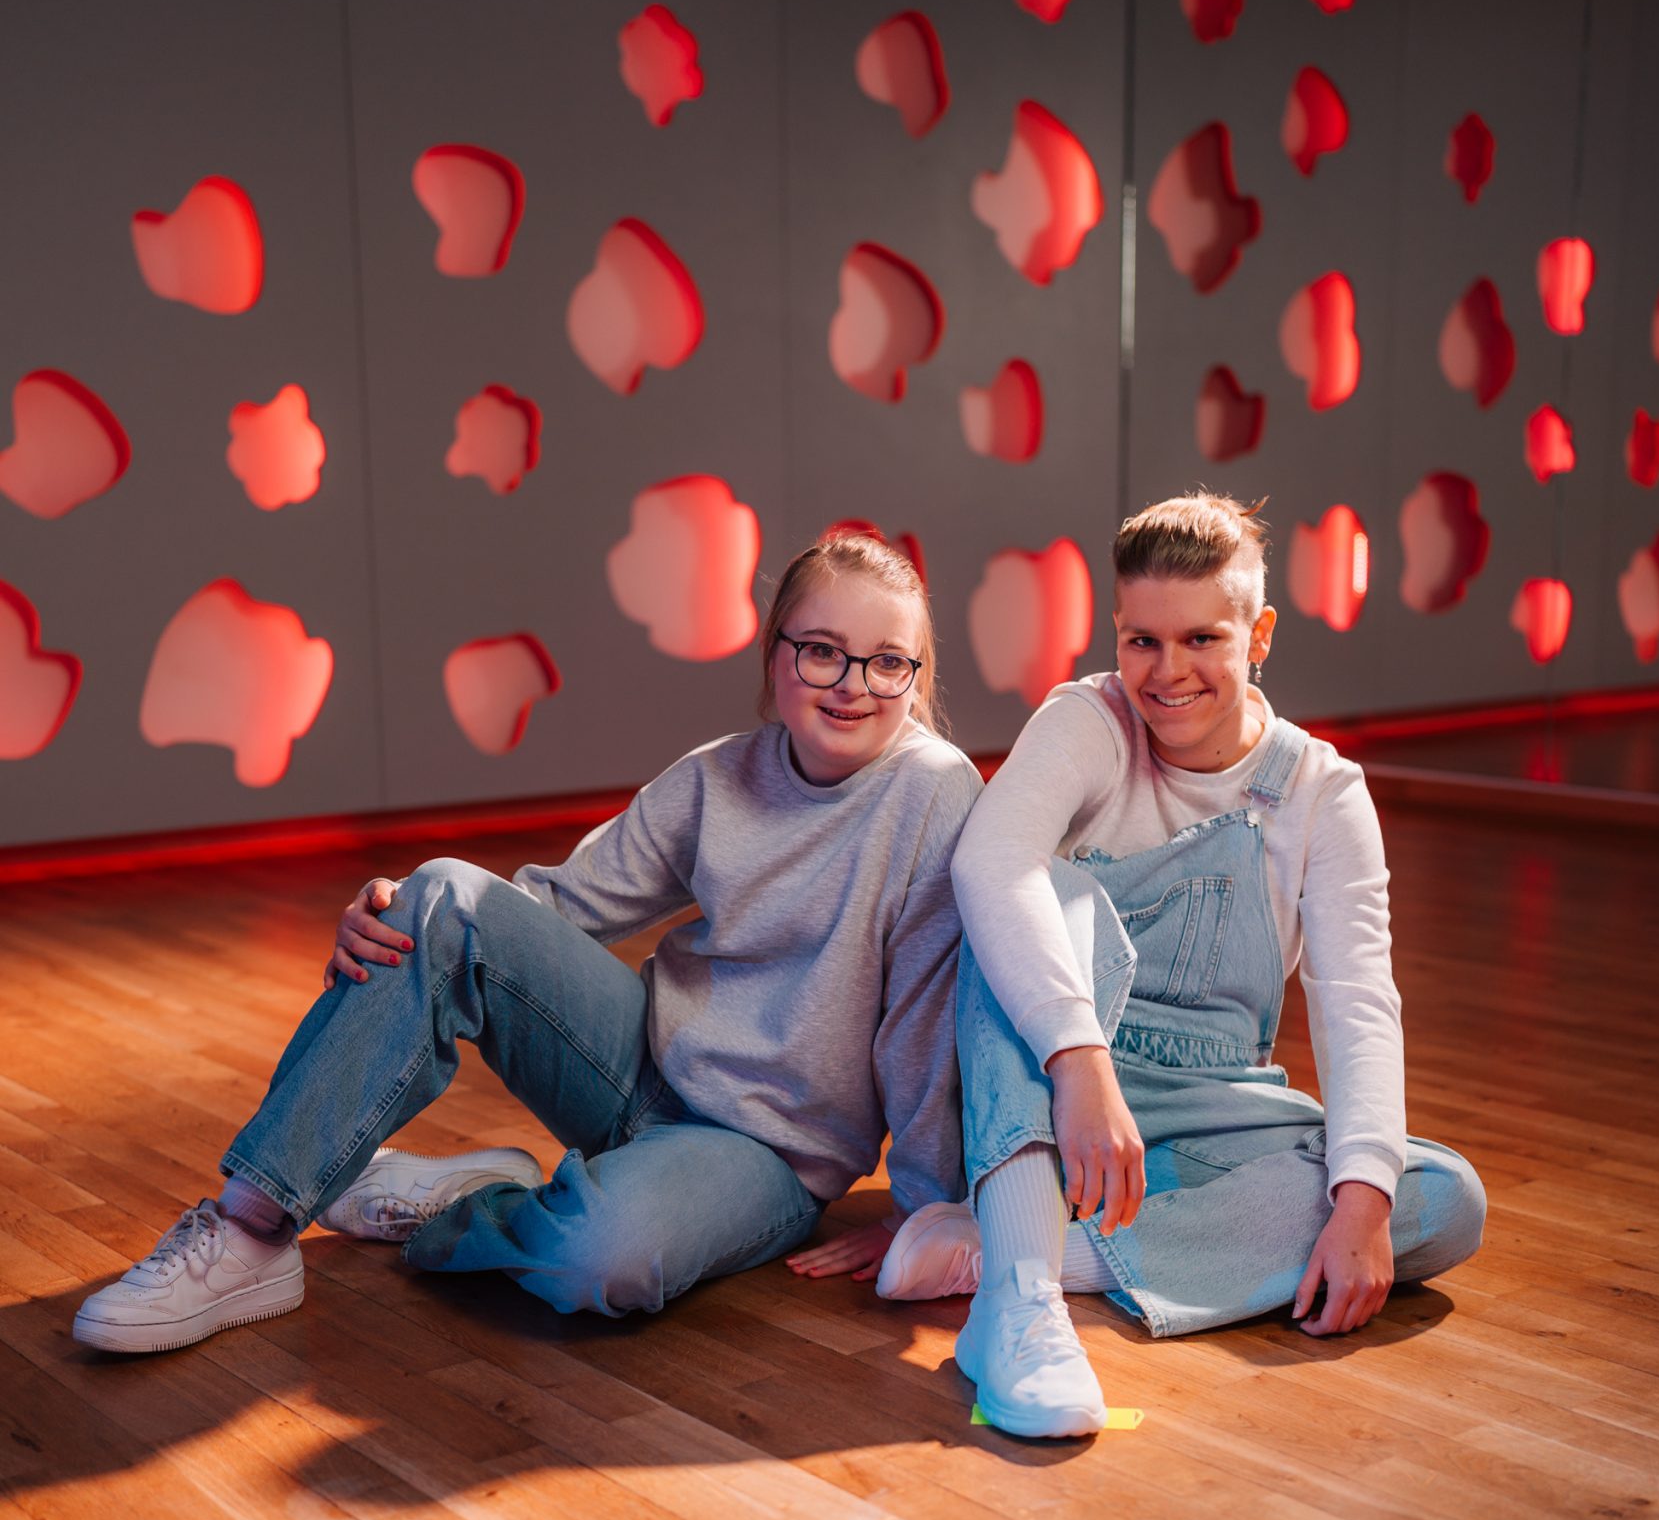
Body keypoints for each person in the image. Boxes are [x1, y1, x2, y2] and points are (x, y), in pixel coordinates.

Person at [74, 531, 983, 1354]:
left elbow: (927, 1022)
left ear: (916, 676)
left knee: (596, 1262)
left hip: (764, 1154)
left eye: (886, 662)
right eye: (822, 651)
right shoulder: (716, 776)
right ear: (775, 654)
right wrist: (405, 913)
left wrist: (925, 1209)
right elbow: (553, 908)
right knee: (443, 894)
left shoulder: (932, 791)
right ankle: (252, 1228)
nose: (852, 684)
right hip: (637, 1068)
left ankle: (463, 1203)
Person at [930, 490, 1486, 1439]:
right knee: (1029, 898)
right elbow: (988, 862)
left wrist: (1360, 1208)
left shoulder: (1320, 792)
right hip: (1048, 1092)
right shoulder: (1087, 721)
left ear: (1257, 635)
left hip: (1210, 1109)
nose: (1166, 672)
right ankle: (1020, 1304)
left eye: (1201, 639)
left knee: (1437, 1196)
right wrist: (1078, 1062)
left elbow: (1357, 1003)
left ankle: (1023, 1247)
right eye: (1140, 641)